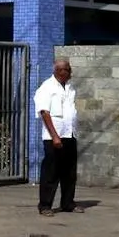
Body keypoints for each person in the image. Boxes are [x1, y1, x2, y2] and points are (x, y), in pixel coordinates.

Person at [35, 58, 79, 216]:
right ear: (59, 71)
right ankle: (45, 205)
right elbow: (44, 112)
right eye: (67, 69)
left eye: (69, 69)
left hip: (70, 134)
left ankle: (68, 202)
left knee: (69, 172)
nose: (70, 72)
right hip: (54, 136)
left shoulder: (69, 88)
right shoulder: (47, 87)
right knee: (51, 172)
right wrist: (54, 136)